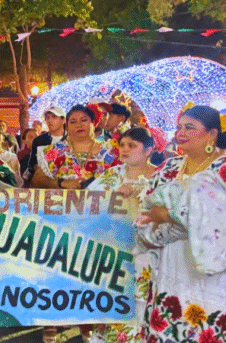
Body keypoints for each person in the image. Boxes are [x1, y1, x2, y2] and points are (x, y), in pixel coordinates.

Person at [136, 106, 226, 343]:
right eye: (179, 127)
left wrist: (170, 216)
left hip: (214, 278)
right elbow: (146, 214)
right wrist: (156, 225)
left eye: (190, 127)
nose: (181, 132)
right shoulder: (167, 170)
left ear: (211, 134)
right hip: (170, 270)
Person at [87, 127, 158, 343]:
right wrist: (112, 195)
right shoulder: (112, 175)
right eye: (122, 145)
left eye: (132, 146)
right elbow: (85, 204)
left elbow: (173, 211)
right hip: (115, 251)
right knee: (116, 303)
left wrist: (142, 196)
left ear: (149, 150)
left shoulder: (161, 176)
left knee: (146, 304)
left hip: (150, 254)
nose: (125, 150)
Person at [32, 104, 119, 189]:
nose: (78, 125)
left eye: (83, 120)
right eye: (73, 122)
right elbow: (36, 181)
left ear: (93, 122)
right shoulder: (54, 151)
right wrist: (61, 182)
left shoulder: (109, 151)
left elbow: (122, 177)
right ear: (67, 127)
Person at [25, 106, 66, 186]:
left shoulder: (72, 139)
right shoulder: (39, 141)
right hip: (44, 184)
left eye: (54, 117)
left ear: (63, 120)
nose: (49, 120)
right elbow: (32, 163)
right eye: (47, 118)